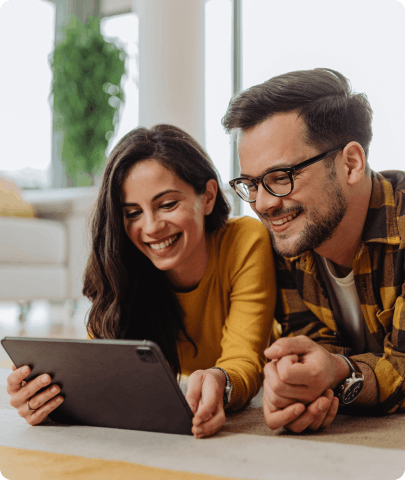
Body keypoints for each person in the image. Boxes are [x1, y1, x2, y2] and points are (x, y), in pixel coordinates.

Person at [6, 124, 276, 438]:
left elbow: (244, 360)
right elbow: (106, 368)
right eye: (132, 212)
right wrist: (44, 397)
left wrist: (221, 382)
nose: (150, 227)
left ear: (208, 197)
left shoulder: (245, 240)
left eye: (167, 205)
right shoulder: (126, 265)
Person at [222, 68, 405, 433]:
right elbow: (316, 346)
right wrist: (296, 384)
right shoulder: (288, 244)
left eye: (280, 177)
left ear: (351, 163)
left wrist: (338, 373)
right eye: (251, 183)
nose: (262, 204)